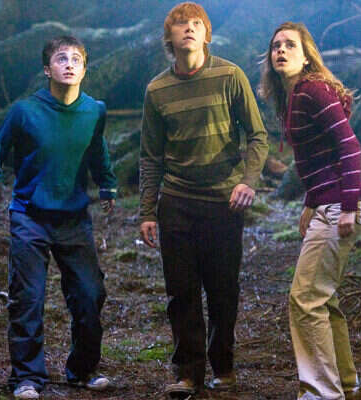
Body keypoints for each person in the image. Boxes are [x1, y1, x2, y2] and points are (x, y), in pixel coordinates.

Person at [0, 35, 117, 399]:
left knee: (90, 294)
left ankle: (82, 370)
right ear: (47, 69)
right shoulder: (24, 111)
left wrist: (108, 184)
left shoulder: (94, 110)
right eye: (61, 58)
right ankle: (27, 377)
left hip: (74, 219)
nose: (69, 64)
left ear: (85, 69)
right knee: (27, 298)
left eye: (76, 59)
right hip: (29, 217)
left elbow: (96, 149)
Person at [139, 2, 269, 397]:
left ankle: (223, 367)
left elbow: (258, 136)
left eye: (197, 23)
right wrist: (147, 211)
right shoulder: (157, 90)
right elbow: (150, 156)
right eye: (181, 25)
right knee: (181, 292)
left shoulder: (230, 75)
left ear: (207, 34)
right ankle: (188, 373)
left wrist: (248, 181)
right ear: (170, 37)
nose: (189, 29)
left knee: (223, 289)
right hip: (176, 201)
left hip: (223, 202)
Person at [258, 22, 361, 400]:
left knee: (305, 298)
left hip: (341, 205)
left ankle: (322, 393)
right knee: (323, 299)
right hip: (328, 202)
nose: (281, 50)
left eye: (291, 45)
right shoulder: (295, 97)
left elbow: (349, 147)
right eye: (276, 46)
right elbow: (319, 157)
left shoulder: (313, 91)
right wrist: (311, 201)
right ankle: (346, 385)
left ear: (307, 56)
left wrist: (347, 207)